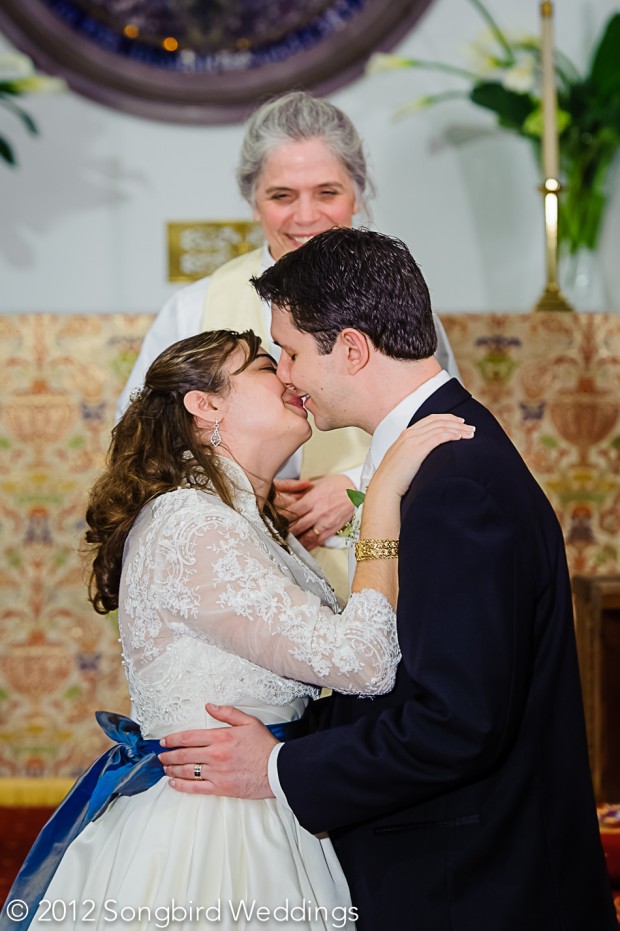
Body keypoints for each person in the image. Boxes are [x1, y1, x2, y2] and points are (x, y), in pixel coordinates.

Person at [159, 229, 617, 931]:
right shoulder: (439, 453)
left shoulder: (455, 482)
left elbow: (457, 723)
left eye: (290, 350)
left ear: (351, 347)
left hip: (476, 889)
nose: (286, 374)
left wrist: (280, 768)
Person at [1, 328, 474, 931]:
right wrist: (380, 497)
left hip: (260, 798)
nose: (288, 376)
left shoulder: (249, 520)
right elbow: (364, 662)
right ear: (205, 405)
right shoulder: (190, 523)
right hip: (210, 834)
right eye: (261, 365)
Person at [117, 91, 460, 598]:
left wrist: (357, 488)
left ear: (358, 194)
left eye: (327, 192)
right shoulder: (192, 309)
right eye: (281, 196)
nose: (306, 216)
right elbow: (139, 451)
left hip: (385, 575)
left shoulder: (402, 303)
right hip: (236, 583)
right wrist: (240, 492)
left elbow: (443, 430)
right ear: (252, 202)